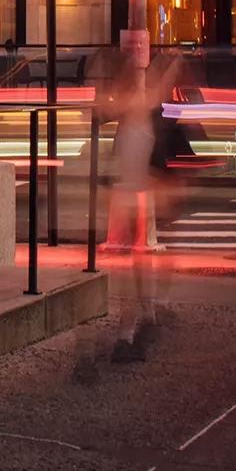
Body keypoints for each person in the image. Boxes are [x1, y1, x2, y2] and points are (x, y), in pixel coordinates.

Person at [92, 46, 160, 361]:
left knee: (134, 262)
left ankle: (135, 324)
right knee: (136, 261)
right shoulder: (136, 103)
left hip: (131, 188)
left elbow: (102, 113)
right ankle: (135, 324)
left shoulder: (130, 104)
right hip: (134, 188)